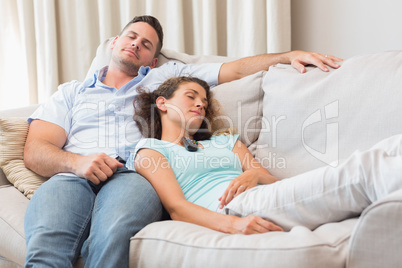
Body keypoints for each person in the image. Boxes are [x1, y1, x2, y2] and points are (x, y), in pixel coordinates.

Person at [23, 15, 342, 267]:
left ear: (152, 60)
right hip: (72, 174)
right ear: (115, 42)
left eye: (146, 44)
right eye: (131, 36)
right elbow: (36, 151)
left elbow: (234, 69)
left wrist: (289, 54)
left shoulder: (165, 79)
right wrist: (77, 162)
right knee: (47, 244)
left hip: (133, 174)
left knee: (112, 235)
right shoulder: (71, 92)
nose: (136, 44)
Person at [130, 76, 402, 234]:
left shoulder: (225, 142)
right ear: (162, 103)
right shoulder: (151, 151)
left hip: (264, 194)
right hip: (234, 207)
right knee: (364, 170)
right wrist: (235, 225)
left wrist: (253, 174)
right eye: (191, 96)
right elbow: (177, 209)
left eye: (203, 99)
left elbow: (270, 180)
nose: (200, 103)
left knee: (392, 146)